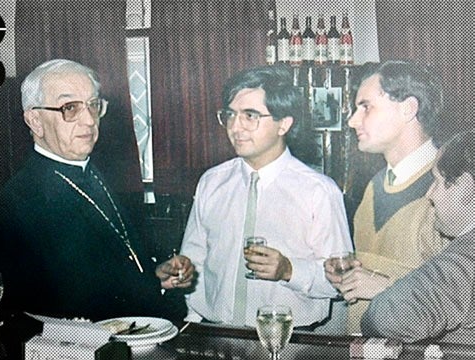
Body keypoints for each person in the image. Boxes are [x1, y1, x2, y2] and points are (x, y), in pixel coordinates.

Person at [0, 59, 194, 321]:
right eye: (70, 108)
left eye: (93, 105)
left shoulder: (98, 175)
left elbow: (111, 266)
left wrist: (154, 277)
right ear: (35, 120)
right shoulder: (13, 205)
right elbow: (52, 305)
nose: (89, 120)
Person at [180, 65, 353, 330]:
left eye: (250, 115)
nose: (235, 127)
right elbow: (193, 260)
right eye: (230, 115)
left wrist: (288, 270)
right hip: (214, 334)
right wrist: (193, 321)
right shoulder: (211, 182)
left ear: (284, 123)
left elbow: (341, 279)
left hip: (289, 338)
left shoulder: (318, 191)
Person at [324, 60, 449, 333]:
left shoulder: (454, 188)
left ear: (408, 109)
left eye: (365, 107)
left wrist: (386, 286)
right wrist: (347, 269)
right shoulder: (375, 185)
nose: (352, 120)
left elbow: (463, 294)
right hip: (363, 357)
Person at [361, 131, 475, 344]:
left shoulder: (467, 256)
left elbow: (385, 317)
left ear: (466, 188)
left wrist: (385, 291)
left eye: (438, 182)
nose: (429, 194)